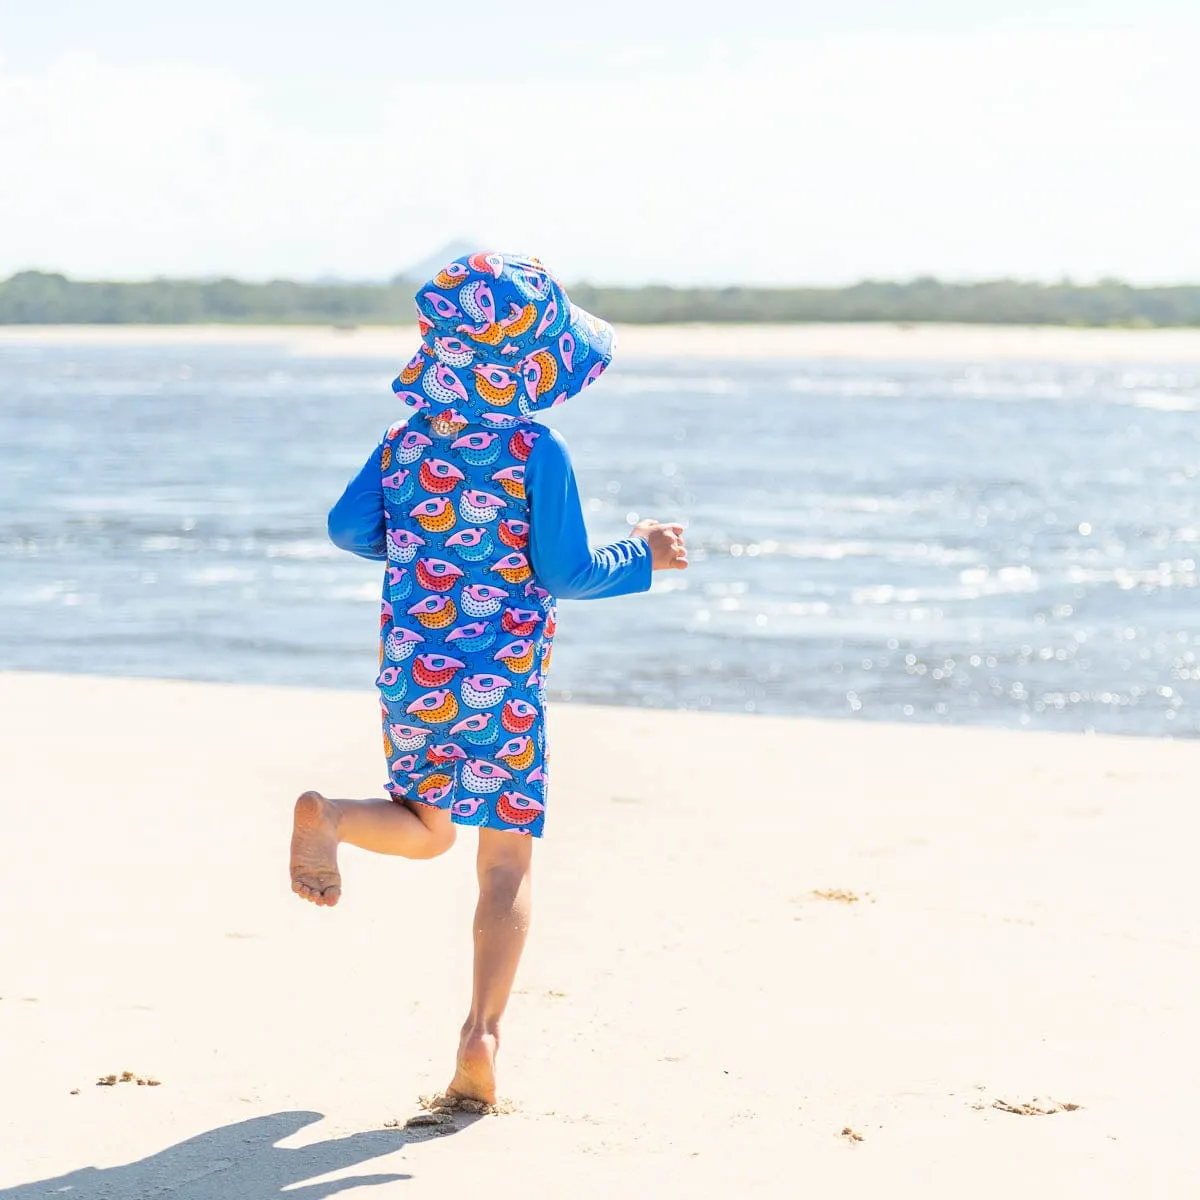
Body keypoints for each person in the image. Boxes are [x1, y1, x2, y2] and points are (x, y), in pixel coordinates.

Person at [288, 251, 688, 1104]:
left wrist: (412, 543)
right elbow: (569, 569)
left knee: (426, 827)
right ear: (536, 362)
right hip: (501, 684)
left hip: (411, 674)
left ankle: (335, 817)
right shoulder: (533, 448)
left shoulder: (406, 440)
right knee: (503, 862)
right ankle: (482, 1036)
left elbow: (346, 525)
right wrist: (644, 555)